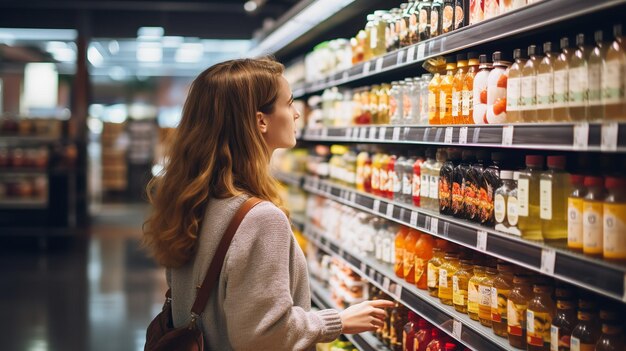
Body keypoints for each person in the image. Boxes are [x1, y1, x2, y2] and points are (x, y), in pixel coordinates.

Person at [142, 57, 394, 351]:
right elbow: (262, 335)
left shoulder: (192, 201)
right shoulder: (260, 219)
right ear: (261, 120)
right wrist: (338, 320)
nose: (297, 114)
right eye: (288, 104)